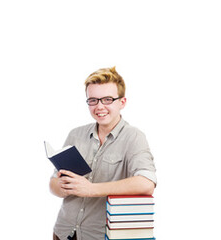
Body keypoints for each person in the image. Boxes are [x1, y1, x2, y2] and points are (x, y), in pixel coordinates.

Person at [50, 67, 158, 240]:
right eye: (93, 100)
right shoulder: (75, 134)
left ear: (122, 102)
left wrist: (91, 189)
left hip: (100, 235)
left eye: (107, 99)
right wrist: (61, 187)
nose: (99, 107)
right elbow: (53, 183)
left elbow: (147, 183)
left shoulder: (134, 137)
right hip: (63, 232)